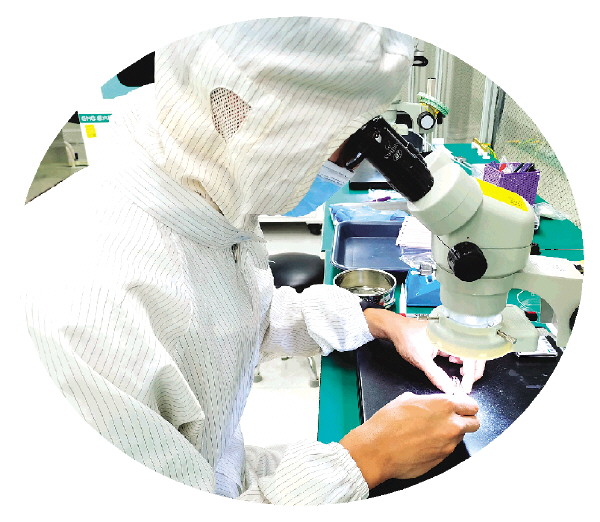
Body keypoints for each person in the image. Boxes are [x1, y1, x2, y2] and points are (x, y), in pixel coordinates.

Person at [22, 17, 482, 505]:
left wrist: (378, 322)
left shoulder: (203, 195)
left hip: (217, 466)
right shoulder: (78, 310)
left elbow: (235, 317)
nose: (348, 163)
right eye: (343, 137)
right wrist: (369, 459)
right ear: (265, 128)